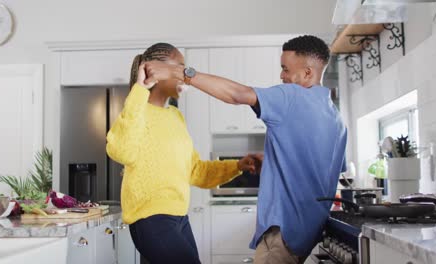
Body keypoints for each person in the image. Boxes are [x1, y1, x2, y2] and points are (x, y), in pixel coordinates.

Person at [141, 36, 348, 264]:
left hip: (283, 232)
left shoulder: (293, 96)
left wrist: (182, 72)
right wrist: (272, 164)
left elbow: (237, 94)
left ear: (308, 73)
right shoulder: (336, 118)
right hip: (307, 232)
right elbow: (316, 169)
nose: (282, 76)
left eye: (285, 69)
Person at [106, 43, 261, 264]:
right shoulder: (137, 111)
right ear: (156, 71)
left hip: (178, 217)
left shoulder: (175, 117)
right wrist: (139, 89)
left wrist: (237, 166)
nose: (185, 75)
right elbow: (120, 150)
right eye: (179, 68)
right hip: (151, 218)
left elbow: (196, 171)